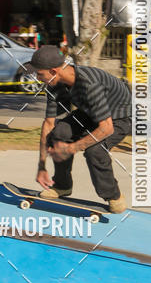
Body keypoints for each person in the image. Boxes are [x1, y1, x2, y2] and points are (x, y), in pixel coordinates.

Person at [30, 45, 132, 213]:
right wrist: (41, 166)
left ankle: (114, 196)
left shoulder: (88, 83)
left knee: (95, 151)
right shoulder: (54, 84)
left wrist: (71, 148)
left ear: (54, 71)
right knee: (60, 132)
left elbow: (106, 128)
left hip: (119, 117)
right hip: (91, 113)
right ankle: (62, 185)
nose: (37, 78)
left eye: (40, 74)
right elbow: (49, 124)